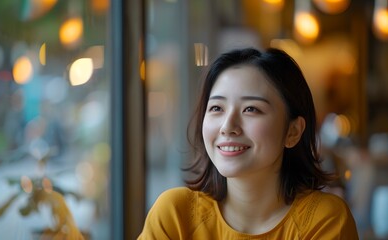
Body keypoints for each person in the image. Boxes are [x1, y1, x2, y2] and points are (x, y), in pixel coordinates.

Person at [138, 47, 359, 239]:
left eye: (251, 109)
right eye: (217, 108)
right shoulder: (175, 214)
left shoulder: (325, 219)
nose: (227, 126)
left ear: (292, 131)